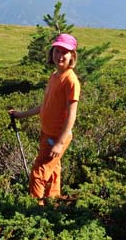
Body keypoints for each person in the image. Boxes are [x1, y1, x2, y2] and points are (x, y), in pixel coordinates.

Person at [9, 33, 81, 205]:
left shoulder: (71, 81)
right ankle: (53, 204)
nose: (60, 55)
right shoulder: (54, 76)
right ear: (52, 53)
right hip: (47, 133)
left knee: (38, 173)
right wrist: (20, 114)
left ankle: (35, 210)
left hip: (57, 137)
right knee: (53, 171)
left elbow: (72, 116)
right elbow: (45, 106)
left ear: (72, 56)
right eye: (57, 51)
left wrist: (59, 143)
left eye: (65, 52)